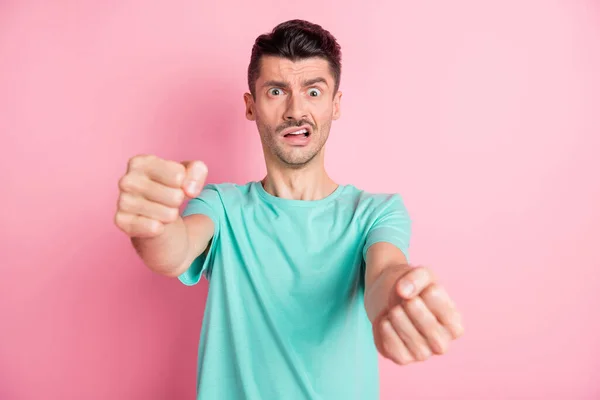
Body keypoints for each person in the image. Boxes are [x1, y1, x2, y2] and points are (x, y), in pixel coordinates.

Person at [114, 19, 464, 400]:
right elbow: (174, 250)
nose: (296, 110)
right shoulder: (221, 206)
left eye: (314, 91)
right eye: (277, 91)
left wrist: (399, 300)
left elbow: (385, 273)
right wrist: (153, 224)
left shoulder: (376, 213)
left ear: (335, 105)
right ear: (251, 106)